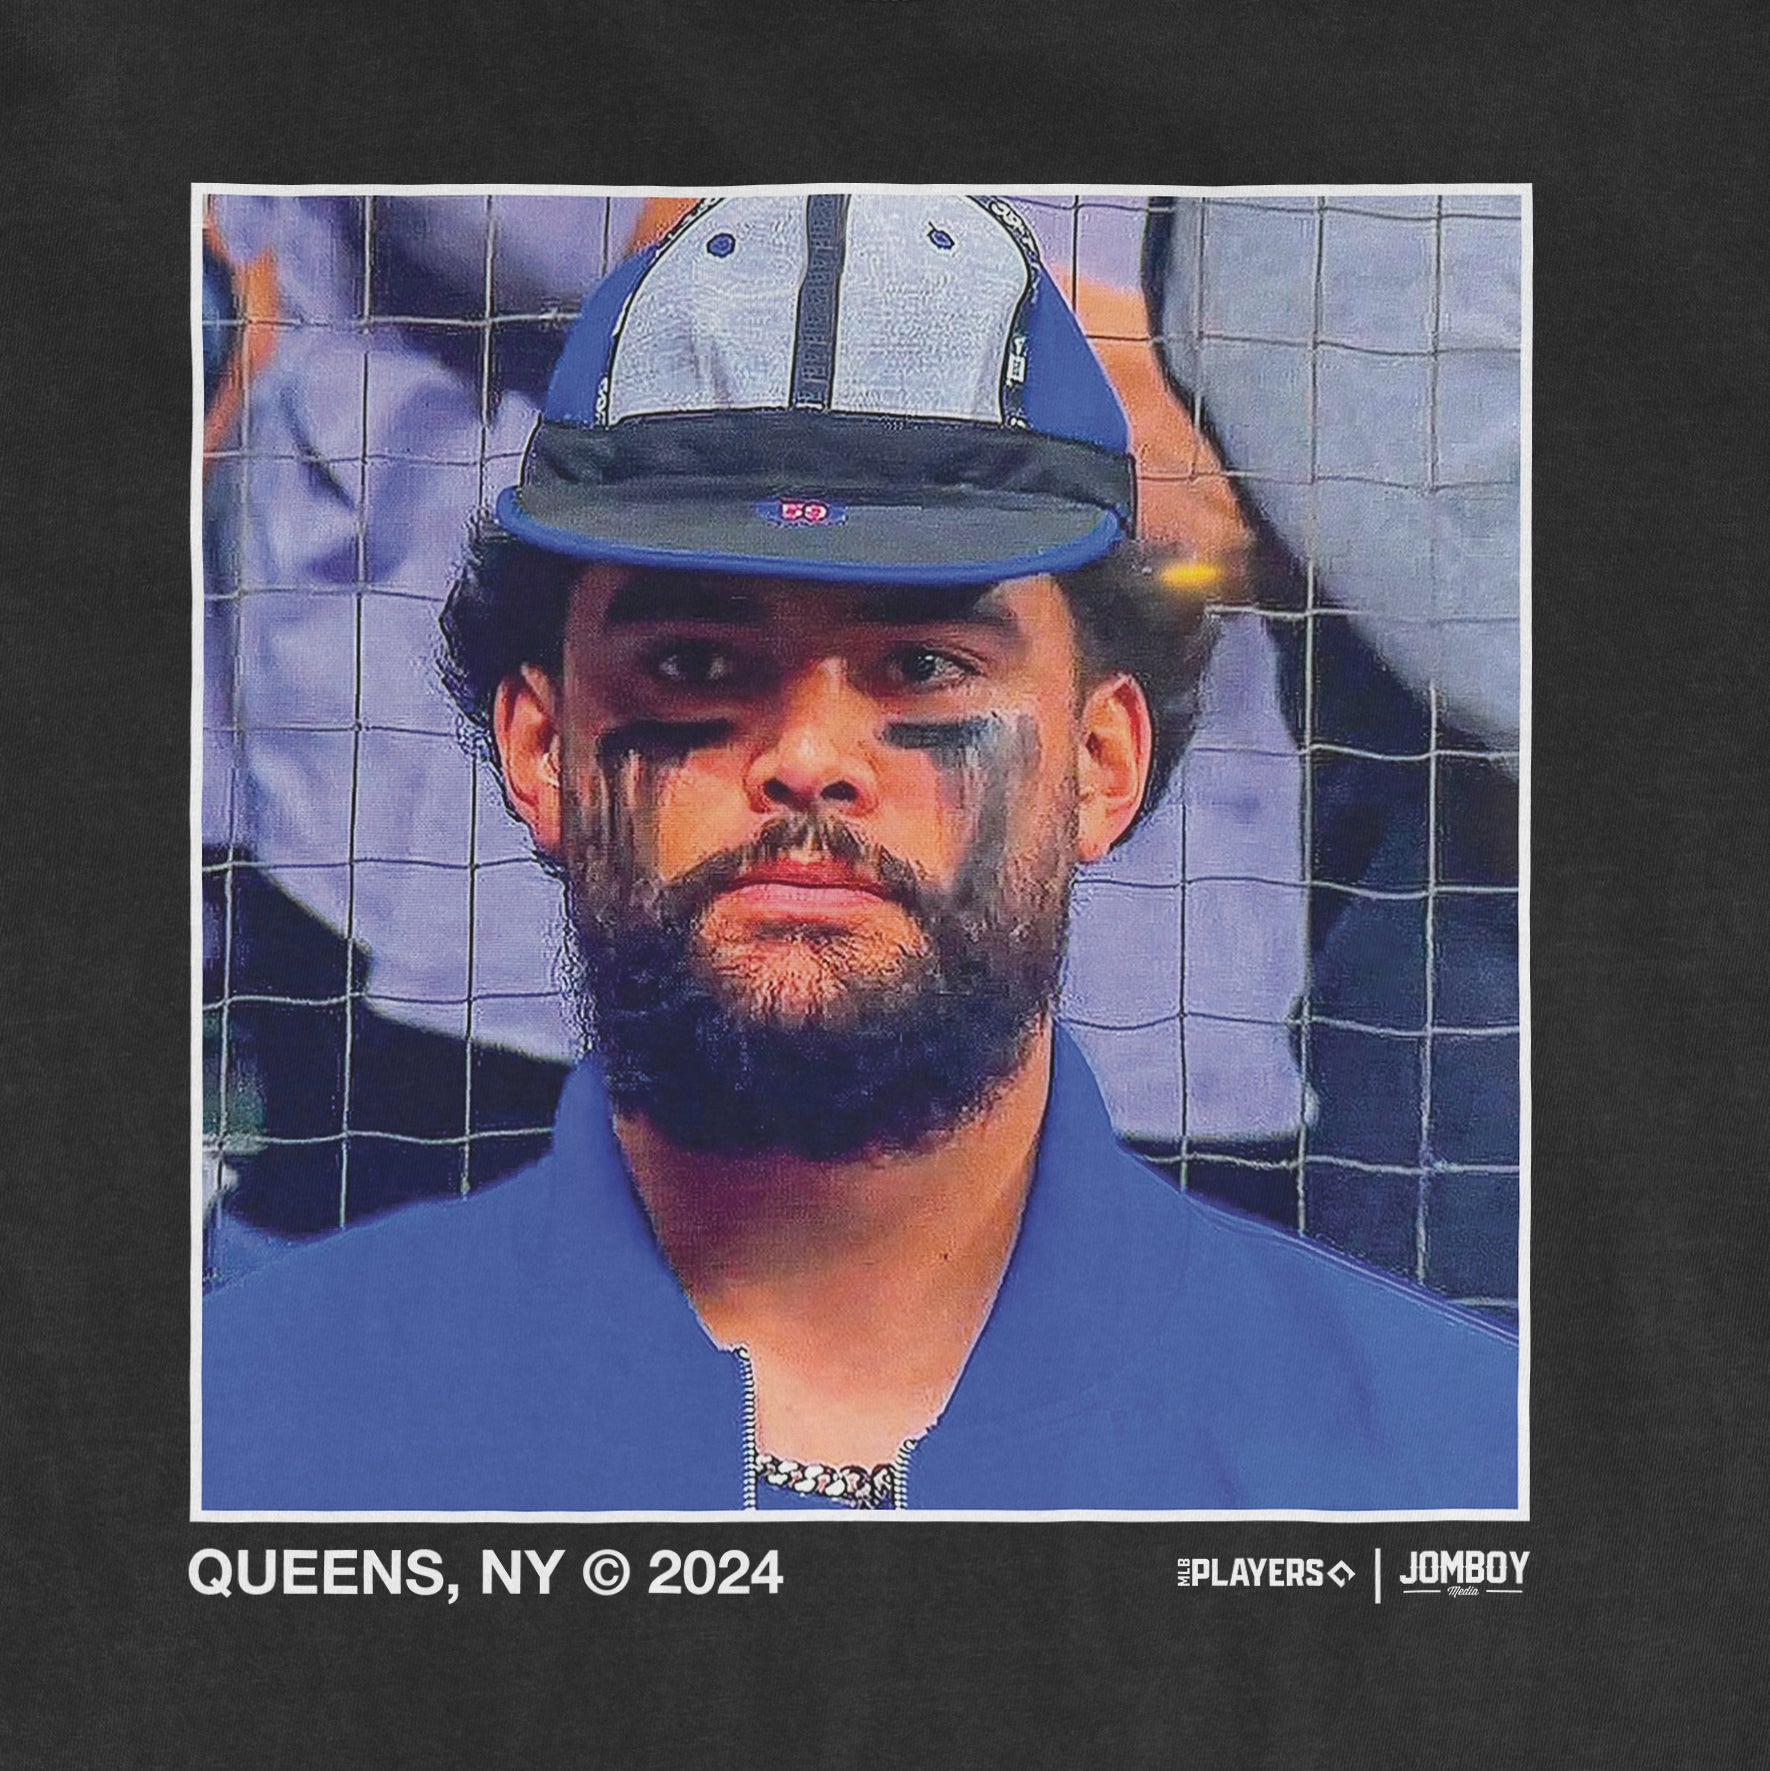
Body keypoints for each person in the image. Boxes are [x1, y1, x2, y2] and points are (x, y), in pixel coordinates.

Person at [203, 194, 1516, 1512]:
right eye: (699, 663)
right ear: (538, 749)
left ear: (1104, 762)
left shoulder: (1438, 1457)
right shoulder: (245, 1427)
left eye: (922, 665)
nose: (810, 755)